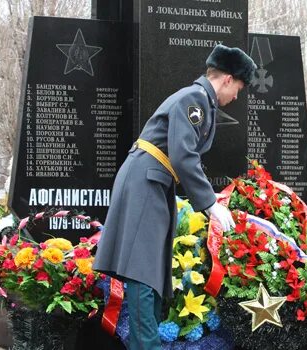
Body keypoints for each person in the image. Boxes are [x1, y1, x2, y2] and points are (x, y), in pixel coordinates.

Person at [93, 45, 255, 349]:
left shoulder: (199, 100)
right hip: (147, 180)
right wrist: (209, 204)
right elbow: (183, 155)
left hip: (154, 180)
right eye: (239, 88)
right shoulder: (195, 99)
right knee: (142, 269)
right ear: (227, 79)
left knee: (151, 269)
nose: (236, 97)